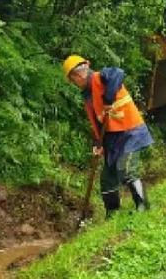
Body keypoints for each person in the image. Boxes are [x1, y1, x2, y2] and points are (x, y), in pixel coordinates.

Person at [62, 55, 153, 216]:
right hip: (112, 138)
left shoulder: (102, 77)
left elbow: (118, 73)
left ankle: (143, 206)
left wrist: (108, 99)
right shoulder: (87, 95)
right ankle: (112, 214)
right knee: (107, 178)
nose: (74, 83)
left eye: (72, 79)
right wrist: (98, 143)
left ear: (78, 75)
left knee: (126, 169)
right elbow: (98, 122)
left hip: (130, 131)